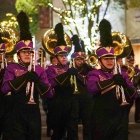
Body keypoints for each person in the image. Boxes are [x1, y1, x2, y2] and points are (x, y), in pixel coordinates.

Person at [1, 11, 51, 140]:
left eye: (29, 51)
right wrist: (25, 76)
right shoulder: (12, 67)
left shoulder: (39, 69)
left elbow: (49, 94)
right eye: (24, 52)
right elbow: (5, 88)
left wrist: (38, 81)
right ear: (18, 55)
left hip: (34, 113)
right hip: (16, 112)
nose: (27, 54)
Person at [86, 19, 136, 140]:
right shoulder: (94, 73)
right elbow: (92, 88)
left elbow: (133, 94)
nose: (109, 61)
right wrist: (113, 81)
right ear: (100, 61)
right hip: (101, 119)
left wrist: (125, 84)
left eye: (111, 58)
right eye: (106, 59)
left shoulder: (122, 74)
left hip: (120, 119)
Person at [46, 23, 79, 140]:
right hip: (58, 104)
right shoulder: (51, 69)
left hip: (71, 104)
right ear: (56, 57)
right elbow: (55, 83)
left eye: (65, 55)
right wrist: (67, 73)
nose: (64, 57)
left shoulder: (71, 68)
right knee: (58, 134)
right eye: (61, 56)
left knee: (73, 133)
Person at [71, 35, 93, 140]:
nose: (80, 61)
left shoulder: (89, 69)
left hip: (87, 100)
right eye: (78, 59)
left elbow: (87, 82)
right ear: (73, 60)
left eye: (82, 59)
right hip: (73, 100)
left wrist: (77, 75)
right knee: (72, 123)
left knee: (88, 124)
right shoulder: (69, 69)